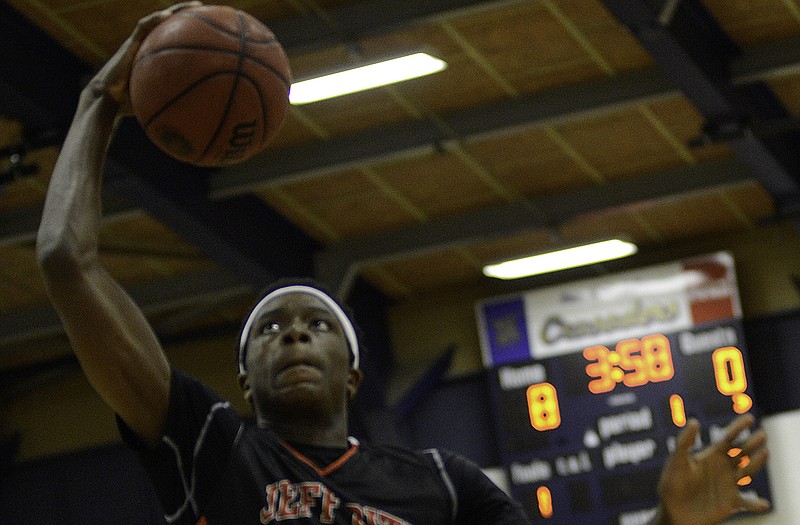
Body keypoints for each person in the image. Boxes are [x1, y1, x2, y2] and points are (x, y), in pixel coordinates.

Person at [35, 3, 770, 524]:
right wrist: (99, 99)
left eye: (317, 323)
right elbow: (67, 259)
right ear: (243, 381)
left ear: (354, 372)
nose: (292, 335)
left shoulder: (444, 485)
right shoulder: (209, 446)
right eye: (270, 330)